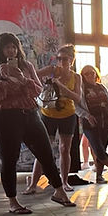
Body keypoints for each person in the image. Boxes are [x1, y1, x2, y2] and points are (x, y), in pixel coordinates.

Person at [0, 33, 74, 214]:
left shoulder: (27, 66)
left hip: (30, 114)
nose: (11, 50)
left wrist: (22, 79)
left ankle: (59, 192)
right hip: (7, 117)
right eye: (7, 47)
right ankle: (13, 202)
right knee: (9, 160)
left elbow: (38, 90)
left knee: (46, 153)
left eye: (14, 47)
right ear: (0, 50)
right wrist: (5, 79)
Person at [25, 44, 81, 195]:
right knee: (43, 149)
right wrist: (43, 83)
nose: (60, 61)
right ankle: (33, 184)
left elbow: (77, 98)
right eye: (58, 58)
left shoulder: (76, 77)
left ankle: (64, 182)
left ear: (71, 60)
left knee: (65, 149)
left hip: (67, 115)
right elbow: (33, 75)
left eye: (64, 59)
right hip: (48, 114)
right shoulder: (52, 71)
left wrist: (61, 86)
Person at [78, 65, 108, 183]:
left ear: (96, 74)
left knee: (102, 148)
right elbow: (76, 107)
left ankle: (99, 176)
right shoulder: (81, 89)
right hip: (90, 123)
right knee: (97, 149)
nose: (90, 75)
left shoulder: (102, 87)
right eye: (87, 73)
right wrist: (87, 115)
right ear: (82, 76)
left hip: (106, 121)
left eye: (92, 72)